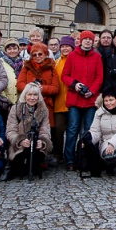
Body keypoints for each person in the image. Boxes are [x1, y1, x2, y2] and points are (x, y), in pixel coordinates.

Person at [61, 30, 104, 171]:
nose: (87, 41)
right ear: (80, 41)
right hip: (75, 99)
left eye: (90, 40)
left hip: (90, 100)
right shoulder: (72, 56)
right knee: (72, 129)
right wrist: (75, 84)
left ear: (93, 42)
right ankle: (69, 160)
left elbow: (99, 77)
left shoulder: (97, 57)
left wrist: (91, 90)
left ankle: (84, 158)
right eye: (85, 39)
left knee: (87, 130)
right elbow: (65, 75)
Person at [16, 43, 59, 165]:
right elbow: (20, 85)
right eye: (34, 55)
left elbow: (56, 88)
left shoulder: (51, 68)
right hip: (29, 103)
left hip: (46, 104)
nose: (37, 56)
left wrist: (42, 89)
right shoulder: (27, 67)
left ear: (46, 54)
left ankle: (44, 156)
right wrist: (32, 89)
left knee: (46, 130)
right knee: (28, 129)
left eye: (40, 54)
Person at [82, 86, 116, 178]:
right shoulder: (99, 112)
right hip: (106, 141)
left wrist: (113, 143)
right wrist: (88, 138)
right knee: (109, 157)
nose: (108, 103)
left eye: (111, 100)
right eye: (106, 101)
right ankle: (110, 166)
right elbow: (95, 131)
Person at [5, 83, 52, 179]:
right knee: (19, 167)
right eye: (29, 95)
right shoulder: (16, 108)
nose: (32, 98)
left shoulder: (43, 110)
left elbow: (45, 130)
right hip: (19, 146)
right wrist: (20, 141)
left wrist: (42, 142)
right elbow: (11, 130)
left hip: (36, 146)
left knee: (35, 165)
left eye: (35, 95)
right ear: (24, 95)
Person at [53, 36, 75, 164]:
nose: (65, 48)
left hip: (73, 102)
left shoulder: (75, 60)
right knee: (58, 130)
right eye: (63, 46)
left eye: (67, 46)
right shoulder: (56, 62)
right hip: (59, 102)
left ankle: (70, 155)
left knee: (73, 131)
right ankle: (58, 154)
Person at [0, 38, 23, 107]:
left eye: (14, 48)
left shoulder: (24, 63)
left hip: (21, 101)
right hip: (5, 101)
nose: (12, 51)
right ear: (5, 51)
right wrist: (5, 99)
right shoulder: (0, 62)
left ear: (19, 50)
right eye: (9, 49)